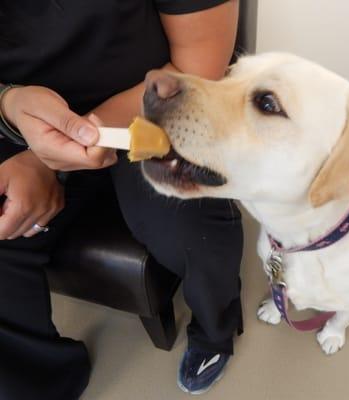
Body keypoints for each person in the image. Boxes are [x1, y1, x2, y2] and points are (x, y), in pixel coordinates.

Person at [0, 1, 243, 398]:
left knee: (192, 234)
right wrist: (9, 109)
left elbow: (198, 65)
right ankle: (39, 384)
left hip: (152, 106)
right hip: (22, 124)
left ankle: (215, 332)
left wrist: (57, 150)